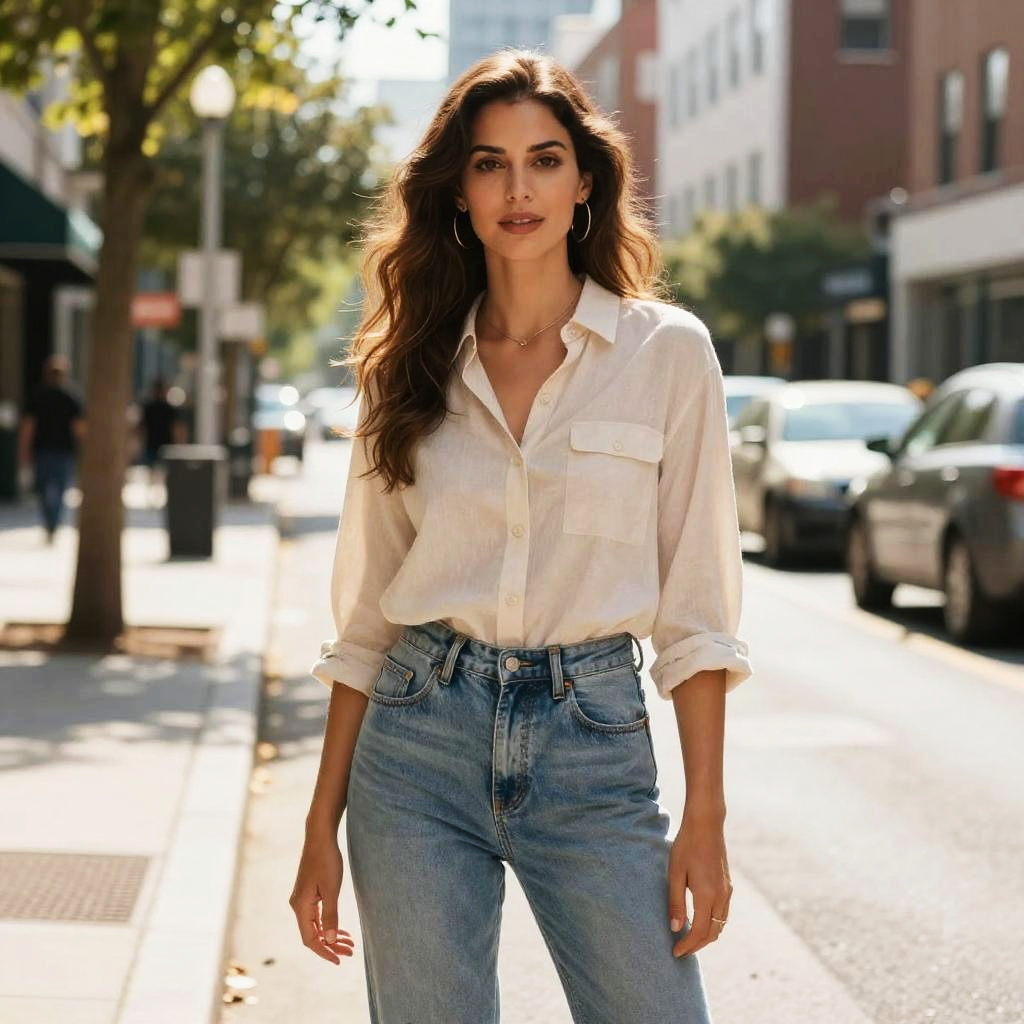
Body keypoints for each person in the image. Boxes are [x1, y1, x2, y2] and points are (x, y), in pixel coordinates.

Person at [290, 49, 754, 1023]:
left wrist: (705, 813)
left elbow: (699, 612)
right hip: (415, 741)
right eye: (490, 163)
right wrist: (317, 823)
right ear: (457, 191)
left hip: (592, 743)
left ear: (585, 181)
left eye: (543, 159)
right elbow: (365, 620)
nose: (518, 188)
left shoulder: (666, 355)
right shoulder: (407, 368)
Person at [18, 354, 86, 544]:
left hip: (44, 450)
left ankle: (51, 522)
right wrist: (83, 451)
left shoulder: (37, 395)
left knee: (43, 488)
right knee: (59, 488)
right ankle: (53, 523)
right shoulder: (71, 397)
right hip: (62, 450)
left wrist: (23, 452)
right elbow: (79, 428)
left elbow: (27, 427)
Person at [137, 377, 186, 502]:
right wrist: (180, 444)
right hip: (164, 444)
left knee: (154, 472)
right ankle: (158, 497)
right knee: (163, 473)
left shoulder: (149, 408)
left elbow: (141, 428)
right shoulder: (167, 409)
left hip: (154, 444)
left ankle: (153, 497)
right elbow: (177, 428)